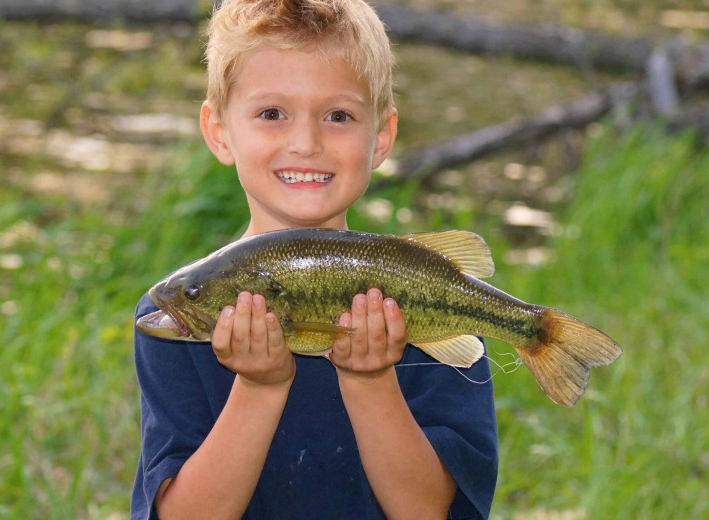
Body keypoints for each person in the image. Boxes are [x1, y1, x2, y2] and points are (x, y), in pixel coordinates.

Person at [131, 1, 498, 519]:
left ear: (382, 138)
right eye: (272, 113)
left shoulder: (427, 300)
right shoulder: (170, 321)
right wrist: (258, 387)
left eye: (339, 116)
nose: (306, 143)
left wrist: (372, 381)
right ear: (218, 131)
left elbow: (427, 512)